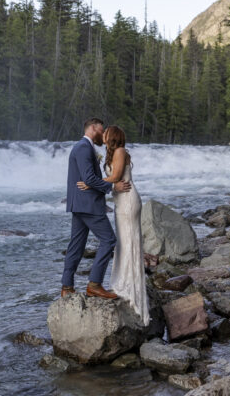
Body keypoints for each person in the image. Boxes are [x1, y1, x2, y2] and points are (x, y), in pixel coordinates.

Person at [77, 125, 150, 324]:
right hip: (121, 201)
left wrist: (91, 183)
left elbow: (117, 177)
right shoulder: (113, 153)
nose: (104, 135)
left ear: (114, 136)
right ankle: (123, 283)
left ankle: (129, 286)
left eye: (107, 132)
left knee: (128, 242)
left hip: (128, 200)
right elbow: (113, 179)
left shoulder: (120, 151)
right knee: (123, 243)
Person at [61, 118, 132, 299]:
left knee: (76, 246)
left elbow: (88, 179)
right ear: (93, 128)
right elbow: (89, 178)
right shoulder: (84, 147)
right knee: (109, 240)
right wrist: (113, 187)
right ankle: (94, 284)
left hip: (79, 204)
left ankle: (67, 287)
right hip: (89, 205)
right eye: (102, 130)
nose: (104, 134)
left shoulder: (82, 147)